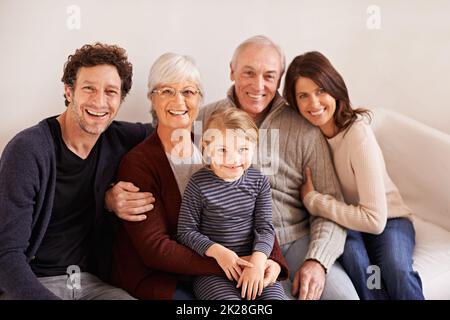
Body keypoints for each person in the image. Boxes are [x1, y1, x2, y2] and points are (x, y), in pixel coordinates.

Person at [110, 52, 288, 300]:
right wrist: (236, 264)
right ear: (152, 98)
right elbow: (156, 249)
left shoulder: (217, 146)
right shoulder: (139, 164)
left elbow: (255, 212)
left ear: (200, 99)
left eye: (189, 92)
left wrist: (272, 261)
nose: (178, 101)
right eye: (166, 91)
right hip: (165, 279)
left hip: (230, 269)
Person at [197, 35, 359, 300]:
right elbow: (163, 156)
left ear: (280, 77)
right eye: (248, 72)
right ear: (231, 71)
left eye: (269, 76)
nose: (258, 85)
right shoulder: (203, 119)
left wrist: (317, 261)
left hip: (293, 241)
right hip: (231, 247)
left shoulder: (304, 127)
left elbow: (330, 203)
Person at [0, 43, 153, 300]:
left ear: (120, 99)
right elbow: (6, 256)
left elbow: (173, 130)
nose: (100, 102)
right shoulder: (27, 151)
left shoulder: (120, 138)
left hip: (91, 285)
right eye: (89, 88)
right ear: (69, 91)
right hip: (32, 284)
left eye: (111, 92)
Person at [283, 51, 425, 300]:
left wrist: (315, 201)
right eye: (303, 96)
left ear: (334, 89)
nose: (314, 104)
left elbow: (374, 220)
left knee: (396, 271)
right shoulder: (306, 139)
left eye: (320, 91)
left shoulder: (357, 134)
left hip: (389, 220)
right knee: (358, 266)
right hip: (345, 225)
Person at [177, 107, 287, 300]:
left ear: (254, 147)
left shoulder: (259, 181)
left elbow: (265, 228)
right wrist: (218, 252)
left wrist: (259, 261)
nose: (233, 159)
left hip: (253, 262)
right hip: (213, 272)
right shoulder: (198, 184)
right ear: (206, 147)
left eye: (243, 150)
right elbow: (186, 231)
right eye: (222, 150)